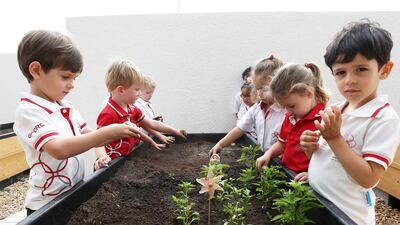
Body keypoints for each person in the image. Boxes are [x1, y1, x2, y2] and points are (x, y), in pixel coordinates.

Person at [13, 30, 141, 215]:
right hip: (45, 206)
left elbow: (92, 137)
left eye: (74, 78)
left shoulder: (67, 108)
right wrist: (107, 132)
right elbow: (59, 149)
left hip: (73, 193)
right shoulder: (29, 112)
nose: (72, 84)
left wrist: (121, 130)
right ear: (36, 70)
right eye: (65, 77)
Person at [300, 20, 400, 225]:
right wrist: (311, 149)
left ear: (384, 70)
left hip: (347, 216)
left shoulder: (383, 118)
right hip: (323, 204)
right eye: (341, 72)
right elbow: (329, 158)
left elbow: (369, 178)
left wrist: (335, 138)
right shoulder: (337, 109)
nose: (349, 80)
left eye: (361, 69)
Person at [97, 59, 187, 159]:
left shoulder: (132, 109)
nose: (140, 93)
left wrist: (176, 131)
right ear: (121, 90)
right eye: (136, 89)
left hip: (128, 157)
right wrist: (102, 157)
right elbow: (97, 140)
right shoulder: (109, 113)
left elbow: (152, 123)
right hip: (112, 163)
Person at [255, 62, 329, 182]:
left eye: (291, 106)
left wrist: (312, 174)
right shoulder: (290, 117)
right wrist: (268, 154)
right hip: (288, 174)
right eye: (285, 107)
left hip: (307, 184)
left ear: (309, 93)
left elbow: (330, 160)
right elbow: (282, 143)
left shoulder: (323, 120)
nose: (288, 111)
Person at [209, 55, 285, 156]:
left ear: (279, 86)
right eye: (257, 89)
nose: (259, 93)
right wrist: (220, 144)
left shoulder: (286, 112)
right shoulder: (257, 108)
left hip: (282, 163)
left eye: (264, 89)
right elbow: (240, 128)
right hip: (264, 159)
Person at [134, 74, 175, 143]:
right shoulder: (137, 105)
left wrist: (156, 121)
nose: (150, 95)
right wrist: (160, 135)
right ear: (139, 91)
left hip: (150, 138)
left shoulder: (148, 104)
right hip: (141, 140)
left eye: (152, 92)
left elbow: (151, 121)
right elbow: (145, 124)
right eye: (148, 92)